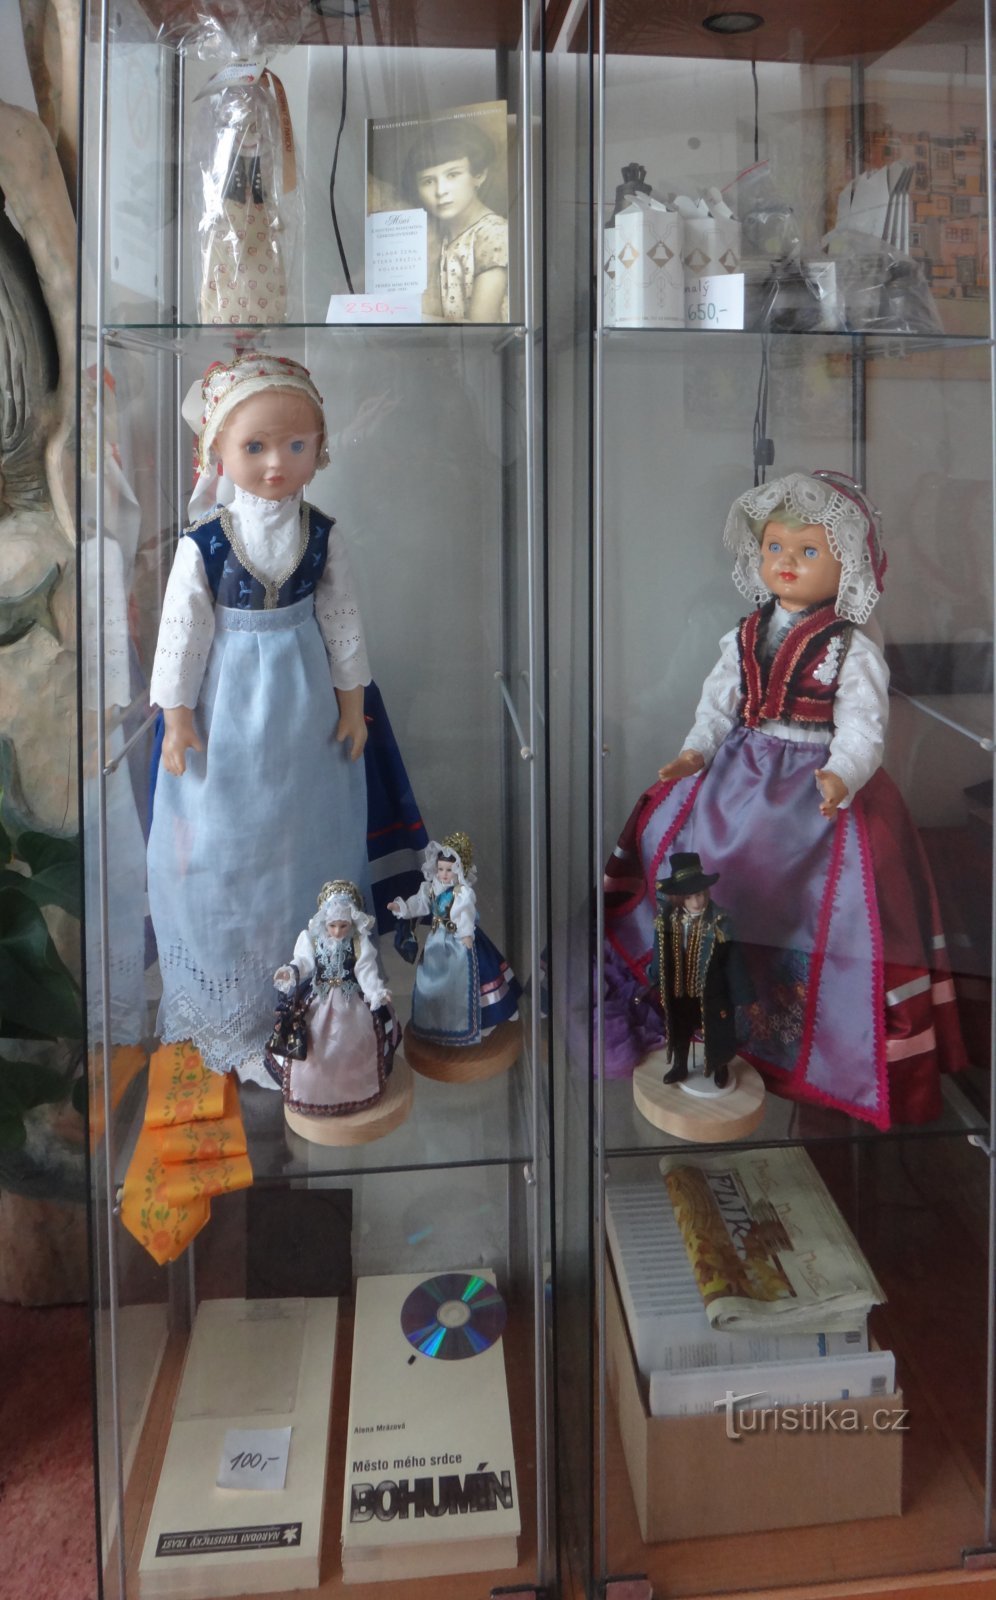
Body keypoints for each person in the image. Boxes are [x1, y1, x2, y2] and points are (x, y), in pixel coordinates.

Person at [605, 469, 967, 1129]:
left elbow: (864, 727)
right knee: (697, 862)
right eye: (774, 547)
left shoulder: (851, 647)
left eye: (808, 550)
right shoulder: (746, 632)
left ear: (848, 563)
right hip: (739, 774)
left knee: (818, 905)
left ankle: (786, 1033)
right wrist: (695, 751)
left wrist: (842, 774)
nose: (786, 562)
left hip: (815, 788)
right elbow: (718, 703)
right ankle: (701, 1010)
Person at [148, 352, 373, 1086]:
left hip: (304, 712)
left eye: (295, 444)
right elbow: (182, 633)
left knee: (304, 842)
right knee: (230, 847)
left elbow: (343, 620)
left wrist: (352, 703)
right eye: (255, 446)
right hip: (229, 712)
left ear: (320, 448)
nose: (277, 463)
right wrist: (177, 716)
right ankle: (237, 1013)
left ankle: (316, 1001)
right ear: (218, 450)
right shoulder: (206, 542)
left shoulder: (322, 532)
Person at [266, 880, 396, 1117]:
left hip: (350, 1001)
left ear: (352, 922)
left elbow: (365, 971)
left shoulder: (358, 942)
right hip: (320, 999)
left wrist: (375, 991)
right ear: (324, 922)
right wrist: (290, 971)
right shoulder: (313, 940)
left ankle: (353, 1091)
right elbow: (304, 962)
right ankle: (311, 1092)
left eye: (343, 925)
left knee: (356, 1041)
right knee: (313, 1045)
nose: (337, 931)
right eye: (332, 925)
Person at [388, 832, 520, 1046]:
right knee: (433, 981)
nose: (444, 874)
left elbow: (466, 915)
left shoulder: (461, 893)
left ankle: (488, 1018)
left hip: (460, 941)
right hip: (436, 942)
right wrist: (401, 907)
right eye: (440, 869)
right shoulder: (431, 888)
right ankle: (440, 1022)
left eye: (449, 870)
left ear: (458, 870)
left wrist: (466, 934)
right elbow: (419, 904)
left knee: (472, 979)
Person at [648, 853, 750, 1089]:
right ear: (679, 898)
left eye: (700, 894)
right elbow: (659, 952)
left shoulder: (720, 922)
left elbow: (733, 961)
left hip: (712, 990)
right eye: (690, 896)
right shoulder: (667, 921)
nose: (697, 902)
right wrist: (655, 975)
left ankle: (720, 1066)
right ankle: (680, 1065)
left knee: (718, 1030)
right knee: (679, 1027)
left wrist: (741, 992)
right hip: (680, 990)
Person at [402, 120, 509, 324]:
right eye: (428, 181)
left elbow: (482, 326)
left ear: (479, 175)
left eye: (452, 175)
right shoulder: (437, 235)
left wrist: (408, 319)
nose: (440, 191)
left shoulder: (494, 234)